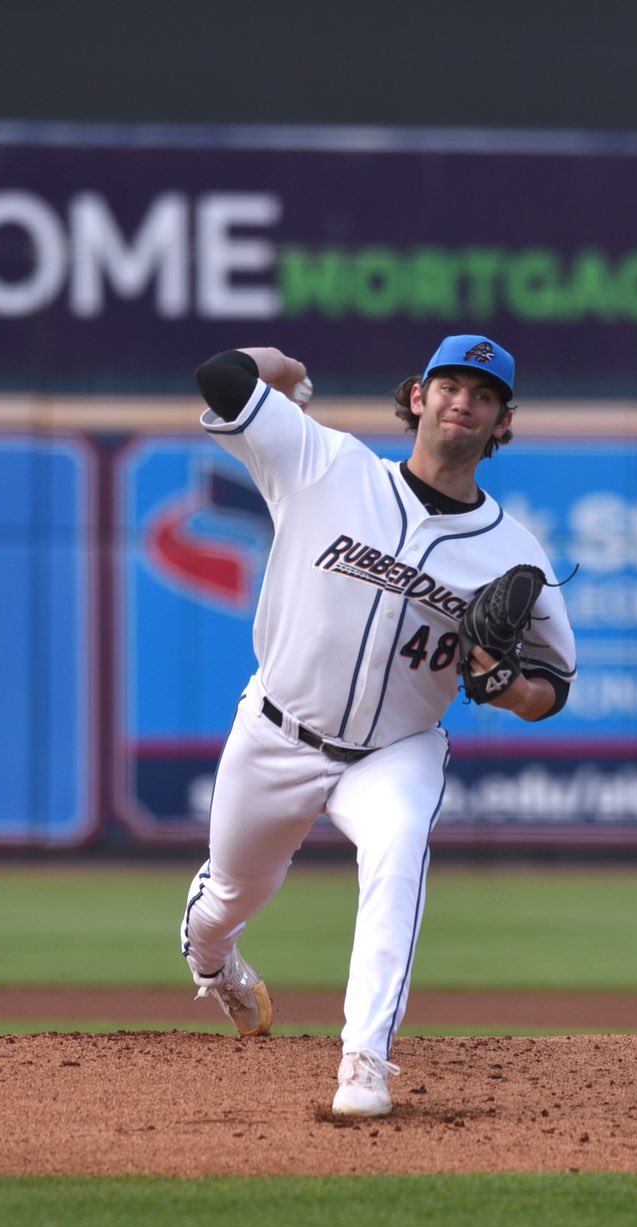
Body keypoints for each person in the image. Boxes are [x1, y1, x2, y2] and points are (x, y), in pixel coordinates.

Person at [180, 334, 577, 1118]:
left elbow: (551, 688)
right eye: (450, 385)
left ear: (502, 423)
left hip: (395, 751)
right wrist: (284, 368)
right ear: (419, 397)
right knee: (229, 896)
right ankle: (215, 965)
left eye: (485, 395)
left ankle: (364, 1062)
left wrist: (504, 687)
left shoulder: (513, 552)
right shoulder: (327, 464)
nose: (464, 401)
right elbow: (220, 376)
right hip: (277, 731)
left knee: (398, 858)